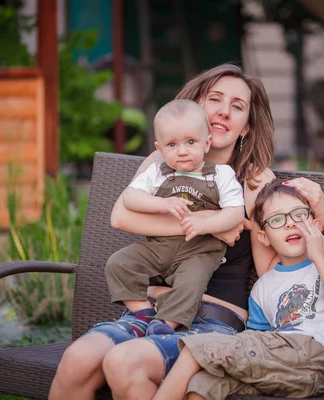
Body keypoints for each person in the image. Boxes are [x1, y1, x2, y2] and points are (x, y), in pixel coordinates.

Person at [49, 63, 324, 400]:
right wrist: (215, 223)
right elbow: (121, 216)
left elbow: (271, 270)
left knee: (125, 363)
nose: (224, 111)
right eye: (215, 99)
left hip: (213, 317)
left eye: (237, 107)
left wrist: (320, 214)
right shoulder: (161, 160)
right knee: (77, 359)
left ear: (246, 127)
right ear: (197, 104)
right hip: (148, 313)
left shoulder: (255, 181)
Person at [154, 180, 324, 400]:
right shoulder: (262, 287)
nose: (290, 224)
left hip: (317, 355)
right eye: (277, 219)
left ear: (316, 224)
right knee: (202, 384)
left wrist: (319, 259)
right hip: (284, 370)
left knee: (194, 351)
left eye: (299, 215)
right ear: (263, 237)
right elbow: (255, 340)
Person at [105, 99, 245, 336]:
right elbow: (131, 197)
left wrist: (206, 223)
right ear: (159, 149)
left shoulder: (220, 175)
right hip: (159, 247)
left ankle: (167, 323)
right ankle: (142, 312)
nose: (182, 151)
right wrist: (160, 203)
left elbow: (235, 212)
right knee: (118, 263)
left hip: (199, 251)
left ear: (206, 143)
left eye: (191, 142)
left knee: (192, 283)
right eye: (172, 144)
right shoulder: (156, 173)